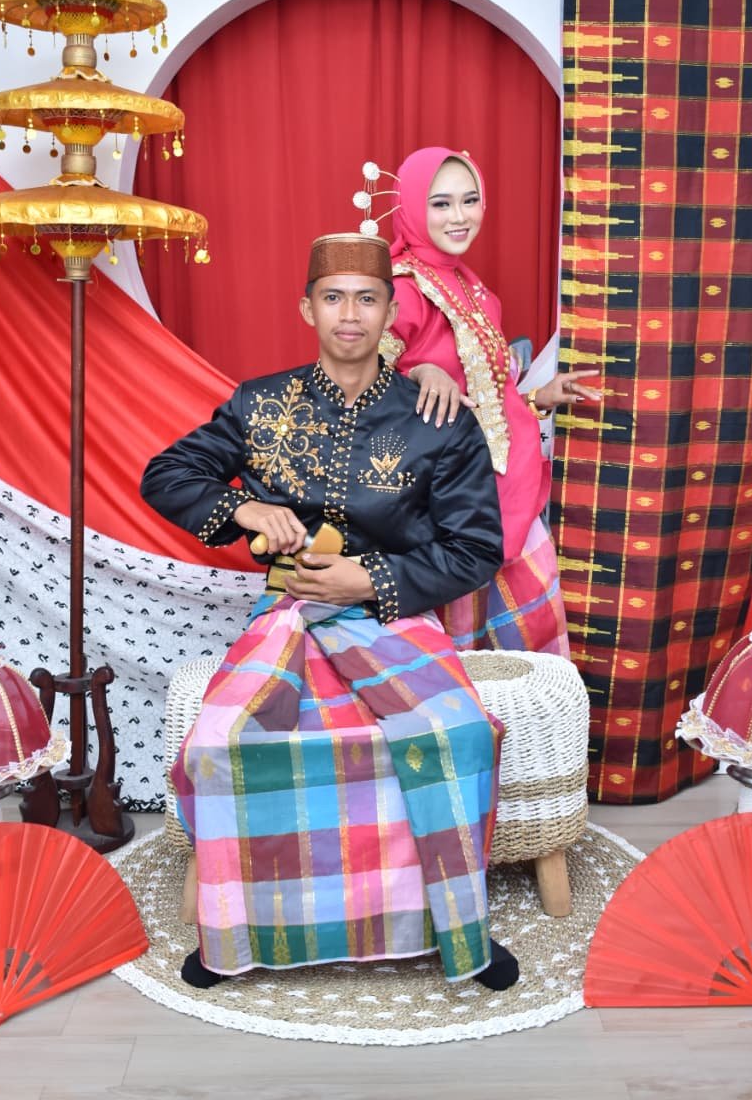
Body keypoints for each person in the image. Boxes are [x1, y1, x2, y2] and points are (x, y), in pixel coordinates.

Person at [141, 231, 520, 991]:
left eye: (367, 299)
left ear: (390, 313)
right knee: (219, 743)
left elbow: (476, 548)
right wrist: (245, 510)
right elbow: (167, 474)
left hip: (393, 619)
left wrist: (367, 579)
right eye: (334, 298)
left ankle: (457, 925)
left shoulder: (437, 418)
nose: (350, 314)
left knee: (457, 735)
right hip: (285, 614)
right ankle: (238, 931)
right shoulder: (260, 403)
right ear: (307, 309)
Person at [380, 146, 602, 655]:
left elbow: (479, 398)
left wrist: (538, 397)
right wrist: (420, 373)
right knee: (458, 653)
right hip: (450, 502)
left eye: (470, 200)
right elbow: (355, 384)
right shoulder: (400, 290)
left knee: (525, 650)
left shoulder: (473, 288)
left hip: (507, 488)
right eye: (440, 203)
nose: (459, 216)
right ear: (410, 206)